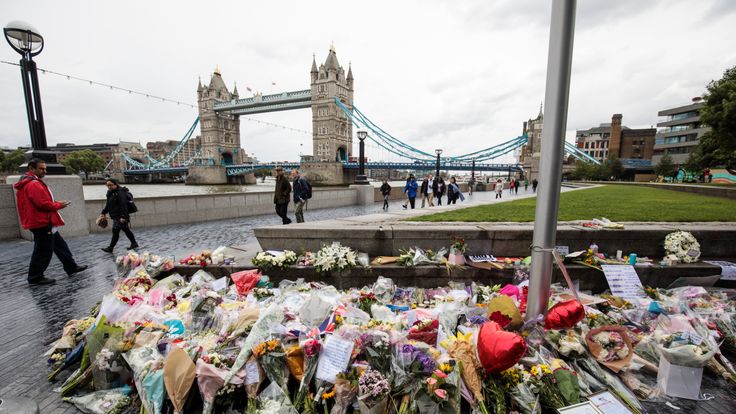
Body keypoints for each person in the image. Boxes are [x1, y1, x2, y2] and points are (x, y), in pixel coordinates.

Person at [14, 159, 88, 286]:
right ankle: (35, 277)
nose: (45, 171)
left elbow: (39, 202)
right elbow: (42, 204)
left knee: (60, 246)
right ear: (32, 169)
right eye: (41, 169)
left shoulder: (29, 182)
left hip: (42, 220)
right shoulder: (33, 184)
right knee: (43, 250)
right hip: (41, 222)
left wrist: (55, 203)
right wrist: (59, 205)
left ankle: (71, 266)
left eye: (45, 168)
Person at [99, 179, 138, 253]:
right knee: (126, 230)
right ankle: (134, 243)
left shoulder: (120, 193)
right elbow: (109, 205)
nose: (109, 187)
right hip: (116, 215)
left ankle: (111, 248)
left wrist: (123, 217)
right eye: (107, 185)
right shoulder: (110, 193)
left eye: (110, 185)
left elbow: (123, 205)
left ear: (115, 184)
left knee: (115, 232)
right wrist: (103, 212)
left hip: (120, 216)